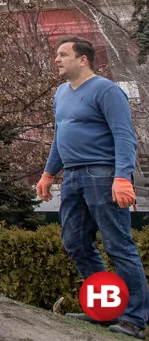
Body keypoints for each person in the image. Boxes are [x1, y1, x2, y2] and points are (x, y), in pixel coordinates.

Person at [36, 36, 145, 338]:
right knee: (75, 243)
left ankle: (134, 319)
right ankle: (105, 308)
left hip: (102, 174)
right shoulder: (61, 93)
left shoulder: (107, 90)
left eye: (63, 54)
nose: (56, 59)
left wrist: (122, 176)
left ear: (83, 59)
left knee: (118, 246)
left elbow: (124, 136)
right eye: (56, 55)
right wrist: (48, 174)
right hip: (71, 177)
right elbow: (61, 137)